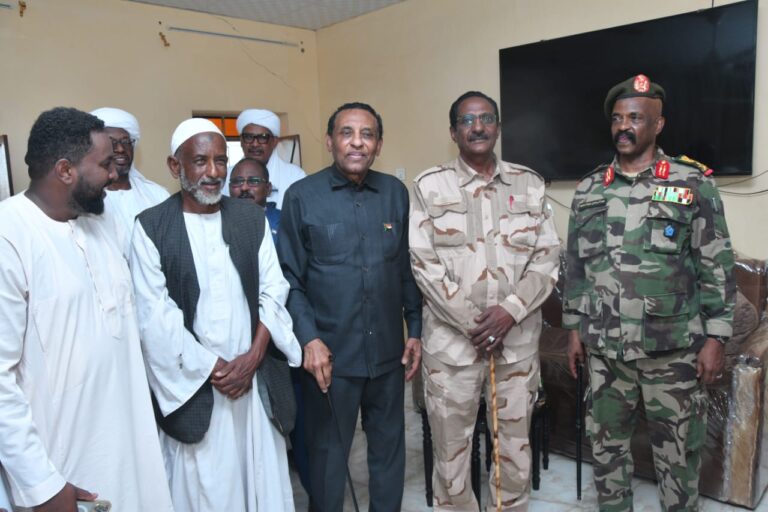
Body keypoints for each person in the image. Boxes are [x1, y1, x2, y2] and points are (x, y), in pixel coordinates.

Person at [564, 74, 736, 511]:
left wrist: (716, 338)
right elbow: (578, 266)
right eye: (618, 118)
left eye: (636, 118)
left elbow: (715, 264)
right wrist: (573, 329)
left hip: (671, 352)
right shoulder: (589, 189)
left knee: (678, 458)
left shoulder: (692, 183)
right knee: (607, 454)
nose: (624, 126)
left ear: (658, 125)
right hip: (605, 351)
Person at [0, 107, 173, 511]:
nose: (114, 174)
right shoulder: (9, 236)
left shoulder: (103, 221)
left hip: (133, 448)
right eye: (104, 164)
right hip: (64, 468)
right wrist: (42, 485)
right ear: (65, 170)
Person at [129, 118, 301, 511]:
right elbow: (156, 317)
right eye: (200, 161)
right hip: (196, 383)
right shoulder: (152, 227)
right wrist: (216, 369)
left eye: (221, 161)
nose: (213, 172)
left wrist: (253, 357)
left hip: (251, 384)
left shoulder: (249, 219)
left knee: (260, 483)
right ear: (175, 166)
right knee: (207, 488)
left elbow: (274, 289)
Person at [409, 91, 560, 511]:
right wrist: (475, 324)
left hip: (516, 347)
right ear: (453, 131)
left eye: (486, 118)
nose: (477, 127)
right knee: (451, 458)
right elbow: (423, 264)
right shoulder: (428, 186)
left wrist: (509, 313)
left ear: (497, 126)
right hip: (452, 350)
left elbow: (547, 258)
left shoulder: (530, 183)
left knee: (514, 454)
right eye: (467, 120)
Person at [278, 102, 422, 512]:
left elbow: (406, 268)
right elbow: (289, 279)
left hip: (387, 354)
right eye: (347, 133)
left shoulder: (394, 194)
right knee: (327, 459)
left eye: (367, 134)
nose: (357, 142)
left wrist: (415, 329)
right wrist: (309, 339)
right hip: (329, 359)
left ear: (379, 144)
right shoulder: (302, 197)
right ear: (330, 141)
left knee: (389, 453)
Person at [90, 107, 169, 252]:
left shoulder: (158, 195)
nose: (120, 148)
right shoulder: (86, 200)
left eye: (126, 141)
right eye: (111, 142)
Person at [225, 109, 305, 209]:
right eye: (248, 137)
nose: (255, 144)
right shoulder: (226, 176)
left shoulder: (295, 176)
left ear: (275, 141)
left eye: (262, 138)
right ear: (241, 141)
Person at [229, 157, 281, 242]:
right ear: (229, 187)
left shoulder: (284, 222)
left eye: (253, 181)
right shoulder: (218, 221)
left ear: (268, 188)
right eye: (237, 181)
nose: (244, 188)